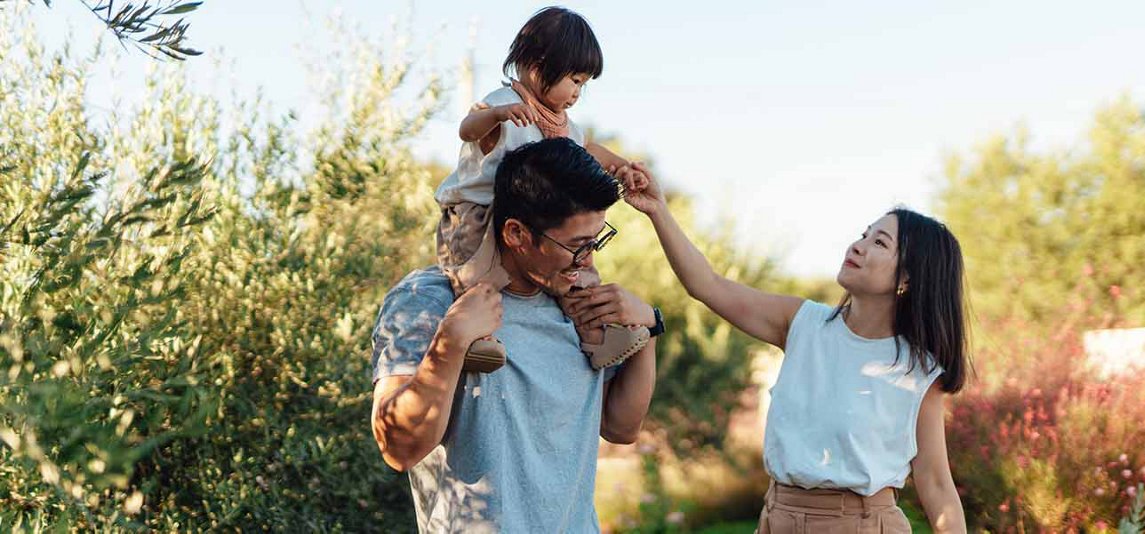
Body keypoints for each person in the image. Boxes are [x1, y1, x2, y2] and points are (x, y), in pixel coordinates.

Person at [620, 170, 970, 533]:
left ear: (908, 279)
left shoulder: (917, 370)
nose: (858, 245)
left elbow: (936, 484)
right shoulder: (803, 323)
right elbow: (707, 284)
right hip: (778, 518)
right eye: (863, 235)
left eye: (879, 243)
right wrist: (658, 210)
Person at [371, 138, 662, 533]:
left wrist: (648, 329)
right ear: (517, 234)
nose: (589, 260)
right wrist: (451, 342)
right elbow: (398, 449)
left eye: (596, 241)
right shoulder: (429, 299)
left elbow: (620, 428)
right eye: (577, 246)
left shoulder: (578, 308)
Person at [435, 6, 649, 373]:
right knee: (474, 273)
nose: (578, 92)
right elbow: (467, 129)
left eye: (583, 84)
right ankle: (476, 338)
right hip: (477, 210)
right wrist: (497, 117)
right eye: (575, 80)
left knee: (580, 269)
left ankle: (595, 336)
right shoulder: (505, 103)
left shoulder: (564, 124)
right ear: (538, 64)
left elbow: (588, 150)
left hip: (538, 220)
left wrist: (621, 166)